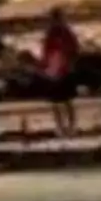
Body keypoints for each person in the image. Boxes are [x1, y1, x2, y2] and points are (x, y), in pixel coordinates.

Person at [38, 11, 81, 139]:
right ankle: (62, 127)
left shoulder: (63, 34)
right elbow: (46, 52)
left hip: (62, 69)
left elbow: (74, 50)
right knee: (59, 102)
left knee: (65, 101)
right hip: (56, 69)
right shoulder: (55, 34)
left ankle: (69, 126)